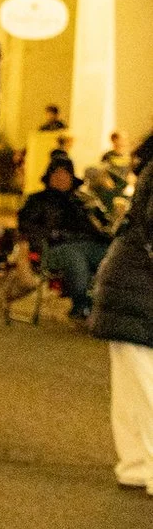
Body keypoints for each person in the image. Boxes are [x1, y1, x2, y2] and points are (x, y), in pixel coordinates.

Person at [90, 194, 153, 494]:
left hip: (129, 284)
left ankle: (136, 465)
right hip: (139, 289)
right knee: (145, 385)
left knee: (134, 385)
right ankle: (141, 466)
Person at [18, 159, 109, 322]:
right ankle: (81, 305)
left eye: (65, 173)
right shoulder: (37, 200)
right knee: (75, 257)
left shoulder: (81, 201)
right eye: (57, 173)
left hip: (87, 243)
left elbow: (98, 226)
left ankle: (106, 306)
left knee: (111, 257)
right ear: (49, 177)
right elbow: (27, 227)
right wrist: (52, 235)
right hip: (53, 248)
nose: (61, 177)